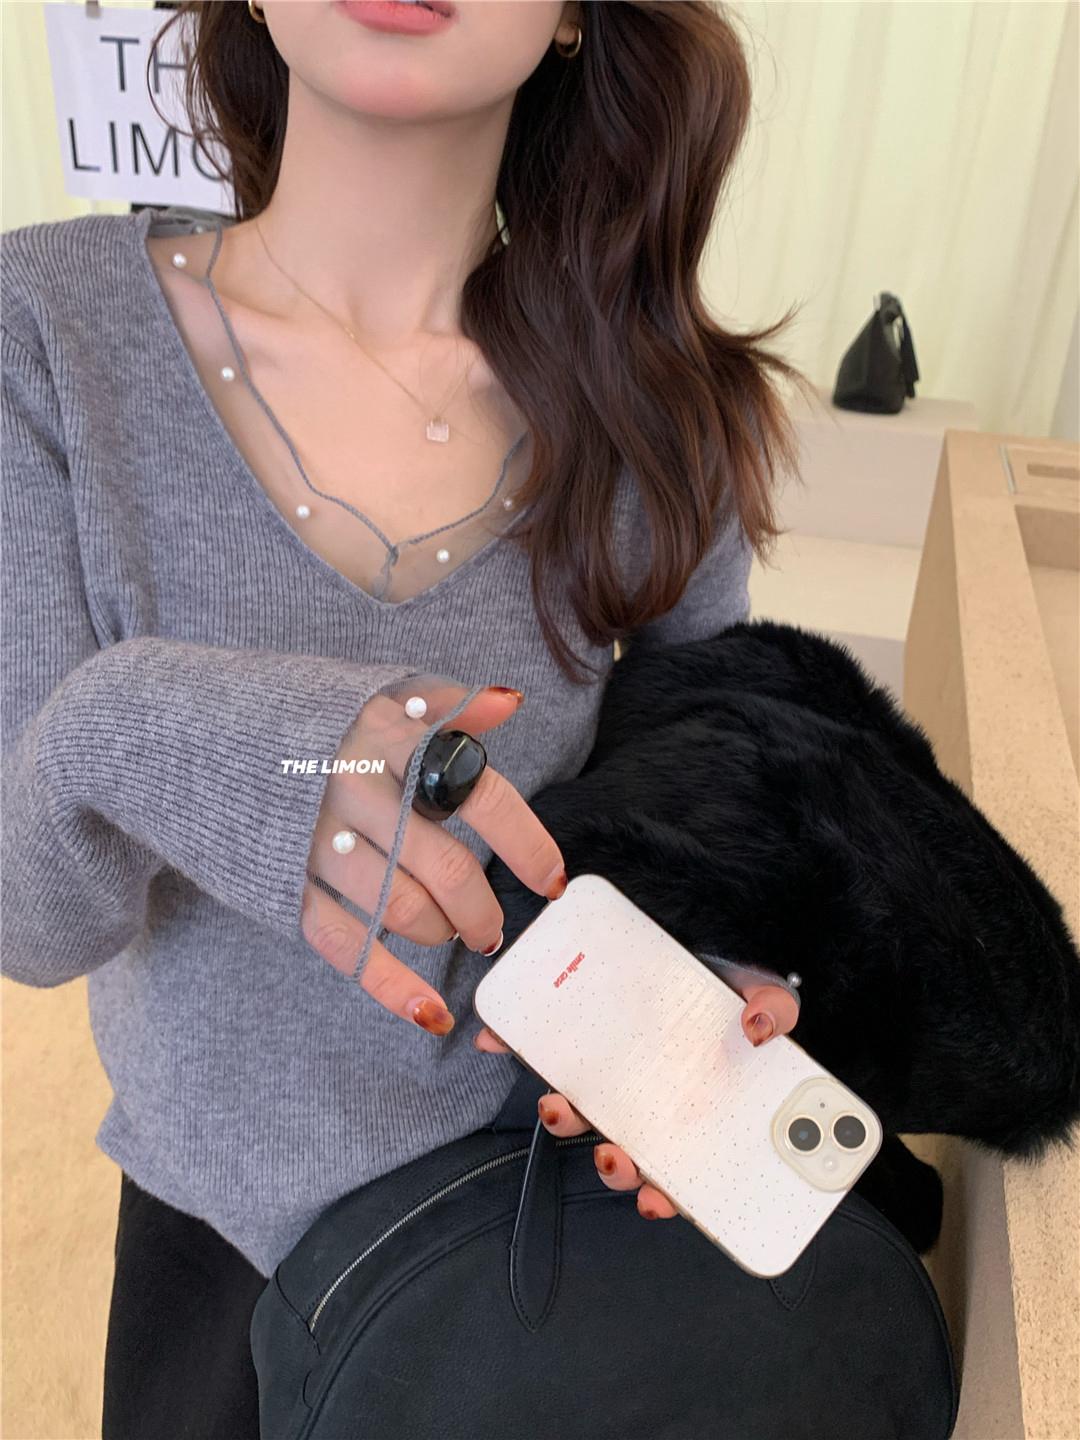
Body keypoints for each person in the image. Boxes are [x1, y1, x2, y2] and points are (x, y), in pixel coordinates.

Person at [0, 1, 810, 1433]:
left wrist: (716, 984)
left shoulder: (659, 407)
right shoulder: (44, 329)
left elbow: (711, 797)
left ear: (574, 16)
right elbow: (30, 921)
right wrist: (164, 723)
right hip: (208, 1290)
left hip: (527, 1256)